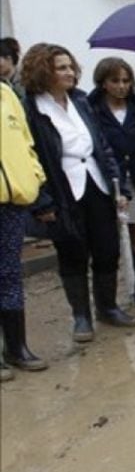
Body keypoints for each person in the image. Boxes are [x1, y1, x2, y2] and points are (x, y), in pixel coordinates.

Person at [21, 43, 135, 342]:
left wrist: (119, 185)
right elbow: (31, 156)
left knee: (107, 248)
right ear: (43, 71)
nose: (70, 72)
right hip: (63, 190)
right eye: (61, 67)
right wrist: (42, 200)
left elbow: (102, 146)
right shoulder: (32, 108)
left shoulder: (81, 101)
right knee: (73, 253)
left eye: (70, 66)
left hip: (96, 184)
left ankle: (108, 307)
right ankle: (81, 317)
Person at [89, 57, 135, 307]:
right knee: (107, 238)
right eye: (115, 81)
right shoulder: (91, 110)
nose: (121, 86)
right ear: (103, 83)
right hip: (106, 181)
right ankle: (106, 298)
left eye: (126, 81)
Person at [1, 81, 48, 380]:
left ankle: (17, 348)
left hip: (11, 201)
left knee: (9, 275)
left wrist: (34, 176)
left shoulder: (5, 93)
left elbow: (25, 142)